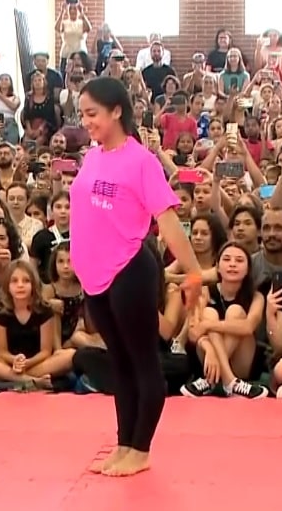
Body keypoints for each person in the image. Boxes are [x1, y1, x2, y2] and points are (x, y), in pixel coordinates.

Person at [71, 76, 203, 477]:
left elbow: (167, 221)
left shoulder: (141, 161)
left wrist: (194, 271)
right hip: (94, 276)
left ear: (116, 111)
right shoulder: (92, 157)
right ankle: (124, 442)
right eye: (82, 114)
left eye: (92, 114)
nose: (87, 122)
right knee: (120, 363)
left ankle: (141, 448)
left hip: (130, 270)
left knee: (144, 361)